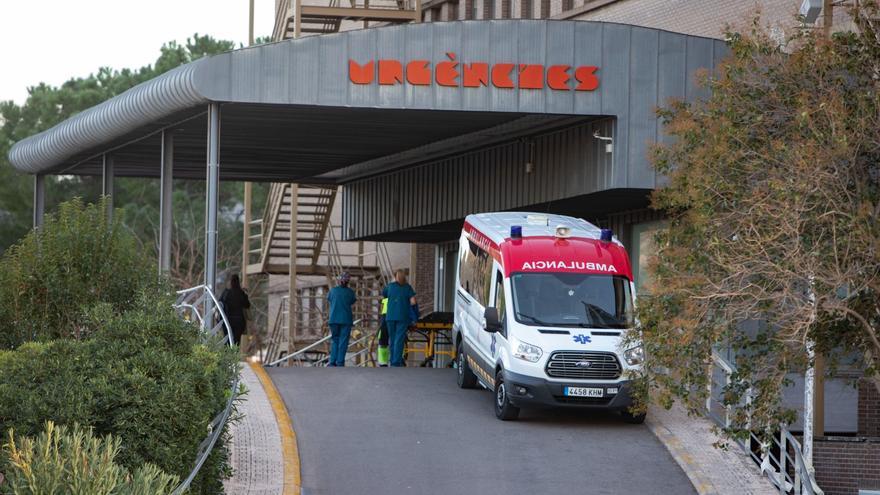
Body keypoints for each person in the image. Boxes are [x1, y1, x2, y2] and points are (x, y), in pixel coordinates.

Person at [381, 269, 416, 367]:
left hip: (390, 317)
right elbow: (413, 302)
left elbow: (384, 295)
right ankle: (396, 362)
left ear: (395, 277)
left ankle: (393, 360)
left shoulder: (390, 287)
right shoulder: (408, 288)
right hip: (402, 317)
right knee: (399, 339)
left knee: (392, 339)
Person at [327, 272, 357, 367]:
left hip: (334, 319)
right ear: (348, 282)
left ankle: (332, 362)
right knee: (343, 341)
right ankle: (340, 362)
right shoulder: (350, 292)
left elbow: (329, 299)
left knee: (335, 340)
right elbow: (352, 301)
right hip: (346, 320)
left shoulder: (333, 291)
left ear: (339, 280)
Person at [219, 274, 251, 346]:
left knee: (227, 342)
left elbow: (220, 304)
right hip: (239, 321)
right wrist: (245, 295)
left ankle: (228, 356)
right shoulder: (241, 293)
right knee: (236, 342)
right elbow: (247, 305)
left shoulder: (226, 293)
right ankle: (233, 356)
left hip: (228, 320)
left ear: (230, 282)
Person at [377, 297, 390, 367]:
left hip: (386, 316)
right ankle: (383, 361)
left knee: (383, 340)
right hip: (386, 316)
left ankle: (383, 362)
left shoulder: (386, 293)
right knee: (383, 340)